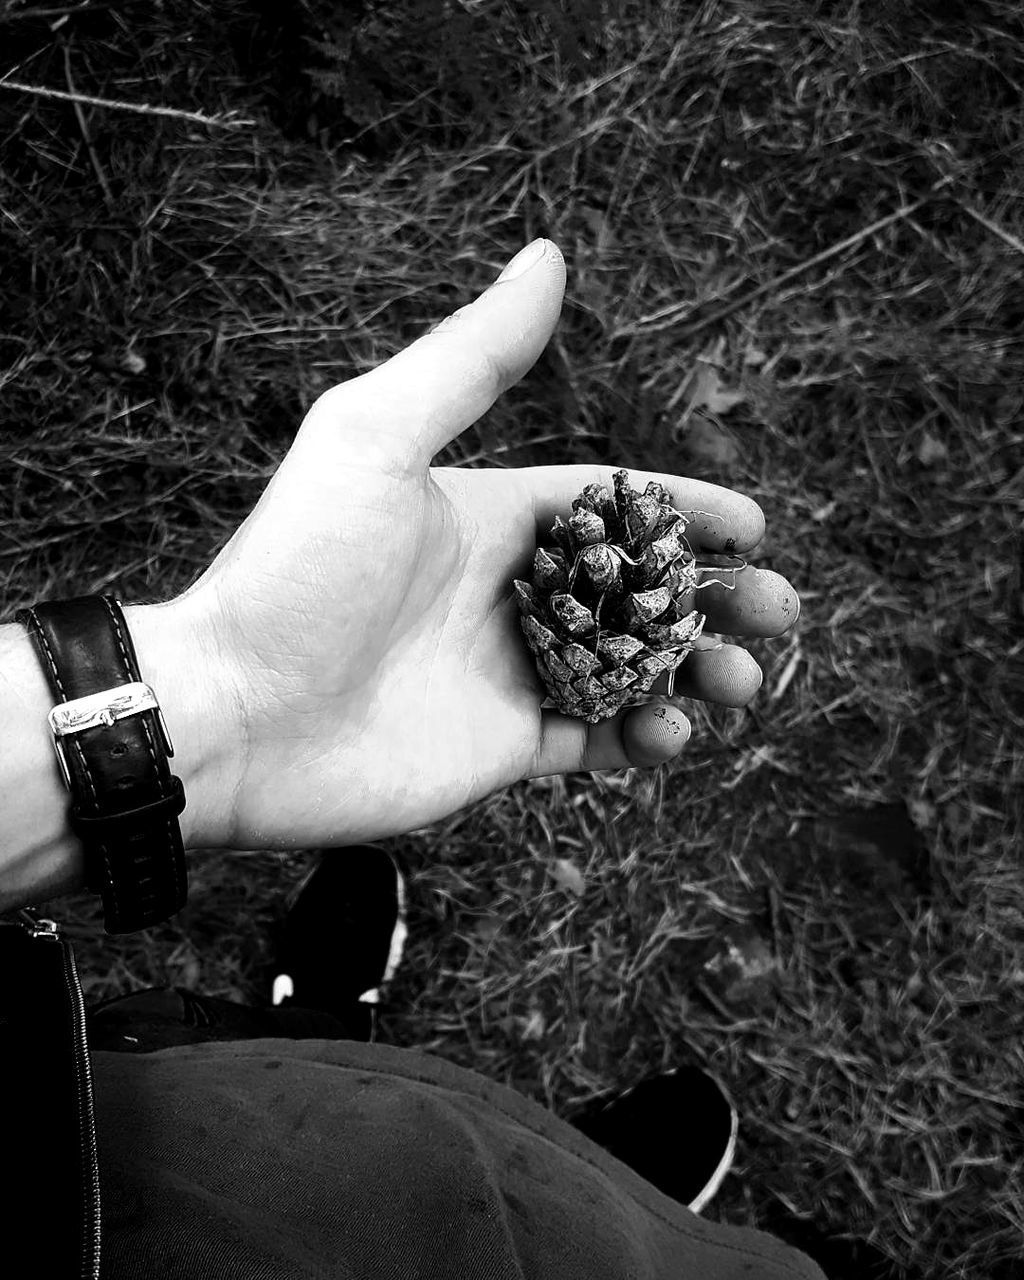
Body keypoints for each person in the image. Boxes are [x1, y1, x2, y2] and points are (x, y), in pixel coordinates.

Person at [1, 238, 823, 1278]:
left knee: (269, 1116)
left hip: (75, 1120)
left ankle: (324, 1037)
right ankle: (589, 1196)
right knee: (502, 1219)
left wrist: (215, 702)